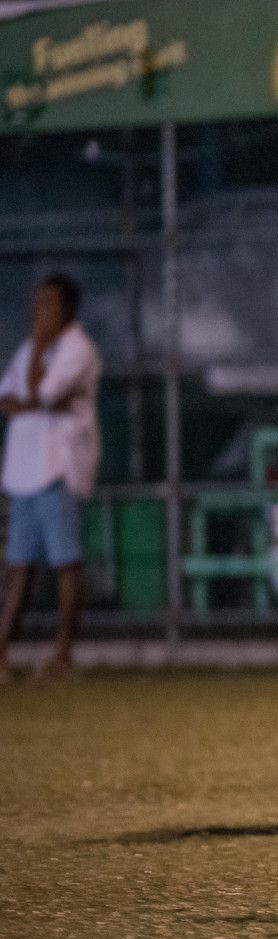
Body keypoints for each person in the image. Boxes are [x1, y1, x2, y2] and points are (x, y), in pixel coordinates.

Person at [0, 274, 102, 683]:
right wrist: (34, 401)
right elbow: (8, 397)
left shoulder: (78, 348)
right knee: (18, 568)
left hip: (56, 468)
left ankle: (63, 656)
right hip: (23, 470)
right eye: (36, 303)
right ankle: (2, 655)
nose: (39, 312)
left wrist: (35, 397)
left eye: (48, 304)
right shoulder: (28, 348)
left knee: (65, 562)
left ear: (69, 309)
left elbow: (39, 394)